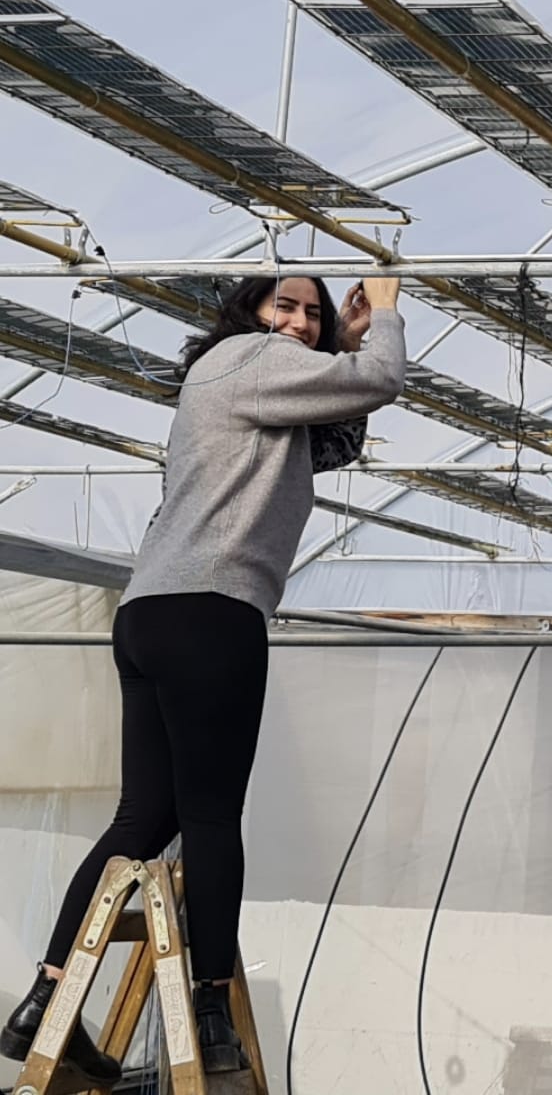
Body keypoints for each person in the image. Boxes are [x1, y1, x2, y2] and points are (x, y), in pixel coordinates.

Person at [0, 272, 405, 1084]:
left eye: (313, 314)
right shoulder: (251, 356)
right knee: (212, 817)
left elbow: (337, 440)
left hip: (151, 614)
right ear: (249, 313)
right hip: (212, 611)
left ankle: (44, 1001)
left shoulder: (242, 382)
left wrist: (347, 342)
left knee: (142, 818)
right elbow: (380, 383)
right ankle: (211, 1012)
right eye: (285, 306)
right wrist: (386, 318)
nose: (300, 323)